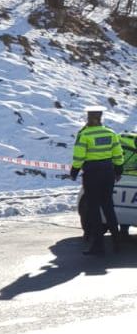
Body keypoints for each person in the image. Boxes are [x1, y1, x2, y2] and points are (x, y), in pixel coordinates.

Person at [70, 108, 124, 256]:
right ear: (101, 118)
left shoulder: (85, 134)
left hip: (92, 174)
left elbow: (79, 156)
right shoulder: (110, 133)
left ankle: (98, 245)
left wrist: (74, 171)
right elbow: (118, 154)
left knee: (94, 209)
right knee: (108, 206)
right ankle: (116, 241)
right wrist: (118, 170)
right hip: (108, 173)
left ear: (88, 118)